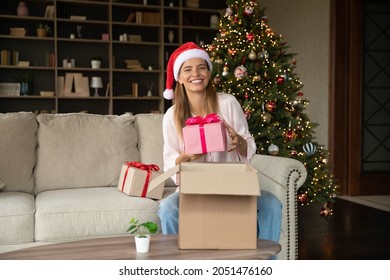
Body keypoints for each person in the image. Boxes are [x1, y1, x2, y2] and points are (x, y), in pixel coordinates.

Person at [158, 42, 282, 244]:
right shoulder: (171, 116)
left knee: (271, 204)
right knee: (167, 208)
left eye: (201, 67)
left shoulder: (228, 103)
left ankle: (265, 267)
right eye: (187, 69)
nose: (195, 74)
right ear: (179, 78)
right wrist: (183, 159)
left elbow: (249, 146)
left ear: (208, 72)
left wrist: (238, 141)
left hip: (233, 186)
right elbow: (169, 163)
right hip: (194, 189)